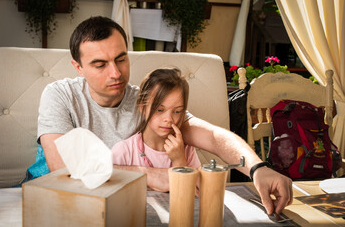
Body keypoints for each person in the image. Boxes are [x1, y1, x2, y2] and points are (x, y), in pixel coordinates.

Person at [36, 16, 292, 215]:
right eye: (100, 64)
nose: (115, 73)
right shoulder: (60, 95)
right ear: (78, 67)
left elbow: (213, 137)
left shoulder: (149, 105)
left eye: (121, 59)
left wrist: (258, 169)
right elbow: (63, 170)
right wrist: (153, 174)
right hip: (47, 191)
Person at [111, 67, 201, 170]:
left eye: (177, 111)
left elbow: (196, 186)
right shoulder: (123, 151)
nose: (168, 119)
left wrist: (179, 161)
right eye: (159, 110)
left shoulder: (186, 149)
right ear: (142, 107)